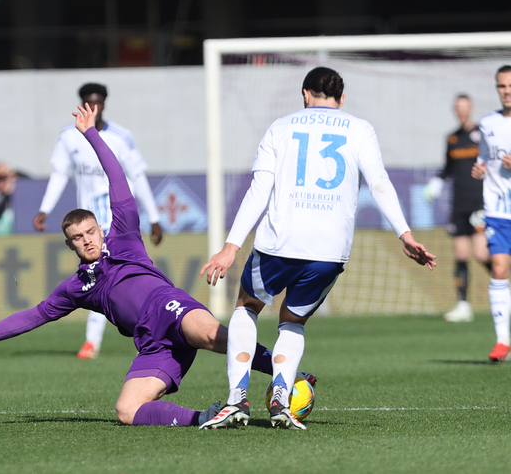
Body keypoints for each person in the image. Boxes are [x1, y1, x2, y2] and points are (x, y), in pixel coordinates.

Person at [0, 102, 292, 427]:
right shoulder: (77, 287)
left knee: (218, 337)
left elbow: (117, 177)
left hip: (170, 309)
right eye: (78, 237)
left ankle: (288, 376)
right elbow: (33, 316)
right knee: (127, 411)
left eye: (91, 231)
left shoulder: (124, 239)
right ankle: (209, 416)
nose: (87, 240)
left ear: (101, 230)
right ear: (69, 244)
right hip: (153, 344)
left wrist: (90, 134)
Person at [199, 67, 436, 431]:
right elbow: (379, 182)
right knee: (293, 322)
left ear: (304, 93)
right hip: (328, 251)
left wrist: (231, 246)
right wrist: (404, 234)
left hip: (279, 242)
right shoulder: (359, 128)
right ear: (341, 99)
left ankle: (235, 401)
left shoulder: (280, 127)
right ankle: (281, 397)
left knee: (247, 307)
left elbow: (260, 189)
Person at [34, 82, 163, 360]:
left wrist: (154, 218)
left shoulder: (121, 136)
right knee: (96, 280)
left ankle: (103, 338)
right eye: (89, 102)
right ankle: (97, 340)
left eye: (98, 102)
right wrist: (45, 209)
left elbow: (136, 177)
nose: (94, 107)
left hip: (116, 225)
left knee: (116, 279)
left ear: (104, 103)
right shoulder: (69, 137)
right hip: (87, 227)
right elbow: (60, 174)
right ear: (82, 103)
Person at [423, 95, 491, 322]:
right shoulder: (452, 138)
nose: (462, 112)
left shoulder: (483, 134)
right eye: (458, 108)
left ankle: (502, 287)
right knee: (461, 254)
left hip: (479, 203)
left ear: (471, 108)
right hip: (459, 204)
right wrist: (436, 183)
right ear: (455, 110)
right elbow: (448, 168)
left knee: (481, 252)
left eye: (465, 107)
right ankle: (463, 305)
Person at [472, 65, 511, 362]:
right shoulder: (487, 123)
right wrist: (479, 167)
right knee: (498, 268)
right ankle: (502, 340)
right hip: (498, 209)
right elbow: (483, 156)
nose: (506, 91)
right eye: (501, 86)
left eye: (510, 86)